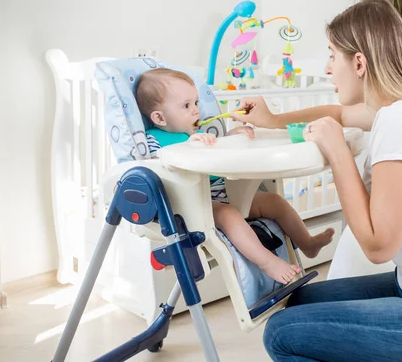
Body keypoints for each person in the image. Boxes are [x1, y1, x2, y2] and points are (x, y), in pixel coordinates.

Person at [230, 0, 402, 362]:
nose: (328, 69)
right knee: (298, 300)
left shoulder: (400, 122)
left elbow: (379, 249)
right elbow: (336, 111)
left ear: (358, 62)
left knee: (281, 334)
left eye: (332, 55)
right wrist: (274, 119)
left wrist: (338, 152)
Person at [135, 68, 334, 285]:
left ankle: (307, 243)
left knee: (273, 202)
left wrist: (230, 137)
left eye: (196, 103)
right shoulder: (153, 141)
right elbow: (155, 167)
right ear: (159, 117)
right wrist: (187, 147)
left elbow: (216, 153)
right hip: (191, 204)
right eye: (186, 105)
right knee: (228, 214)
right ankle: (267, 262)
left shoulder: (193, 134)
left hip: (221, 192)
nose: (196, 110)